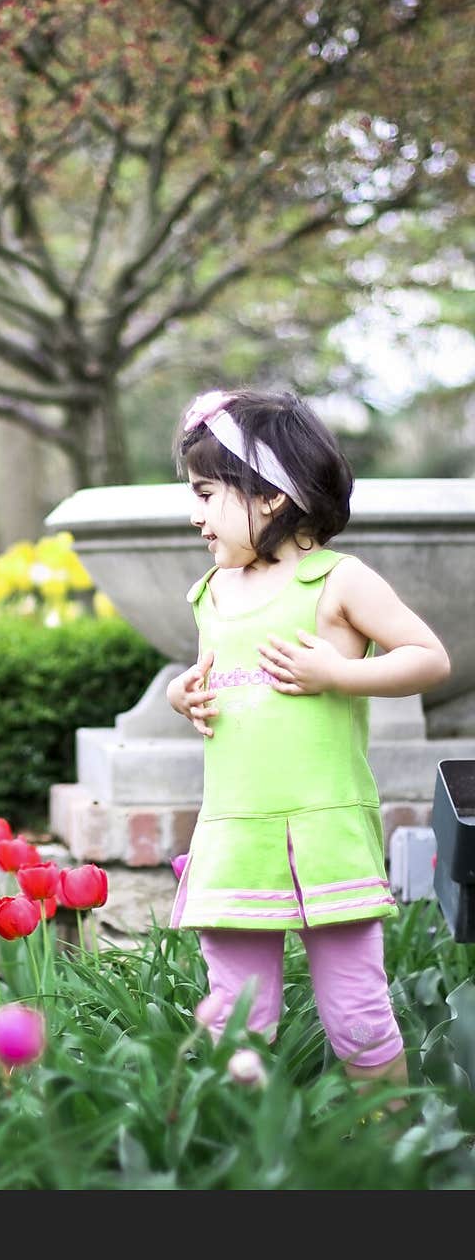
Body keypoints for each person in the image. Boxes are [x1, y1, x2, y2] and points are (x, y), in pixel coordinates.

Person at [166, 386, 451, 1098]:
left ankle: (382, 1138)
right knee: (235, 1013)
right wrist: (184, 696)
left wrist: (340, 673)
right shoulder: (211, 592)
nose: (194, 513)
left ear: (269, 496)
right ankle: (245, 1139)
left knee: (355, 1007)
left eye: (207, 493)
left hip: (323, 829)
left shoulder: (336, 580)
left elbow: (428, 657)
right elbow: (215, 677)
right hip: (235, 830)